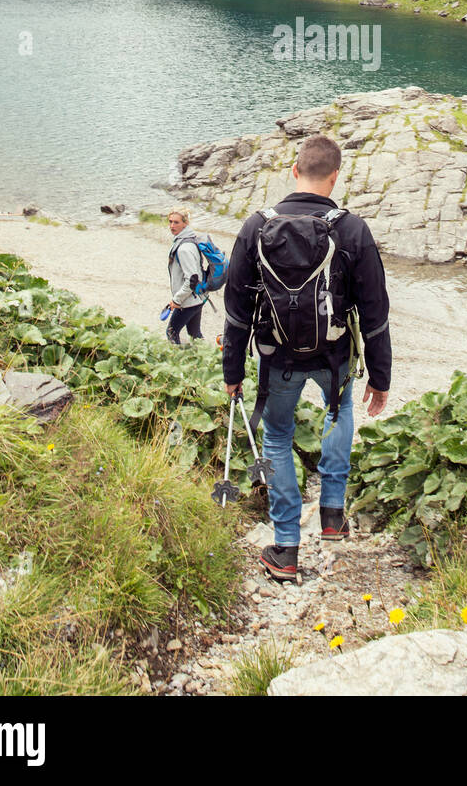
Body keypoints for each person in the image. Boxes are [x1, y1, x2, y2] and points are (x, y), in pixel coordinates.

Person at [221, 133, 391, 582]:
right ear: (335, 178)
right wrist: (381, 375)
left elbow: (237, 310)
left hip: (277, 357)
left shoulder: (256, 226)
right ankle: (332, 514)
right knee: (340, 412)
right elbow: (375, 310)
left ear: (294, 171)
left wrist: (232, 371)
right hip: (334, 356)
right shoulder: (353, 230)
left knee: (278, 434)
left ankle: (285, 547)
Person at [166, 206, 205, 344]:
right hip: (199, 298)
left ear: (185, 223)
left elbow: (191, 280)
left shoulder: (184, 248)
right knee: (195, 334)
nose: (172, 226)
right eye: (170, 221)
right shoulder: (190, 239)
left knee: (171, 332)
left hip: (189, 301)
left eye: (176, 222)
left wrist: (176, 300)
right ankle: (208, 359)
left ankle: (176, 362)